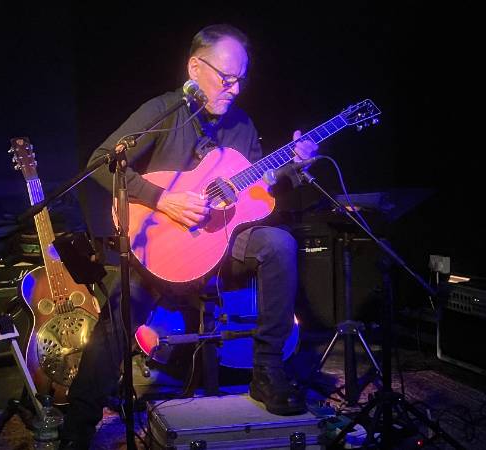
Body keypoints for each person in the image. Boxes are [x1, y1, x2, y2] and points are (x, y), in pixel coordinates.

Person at [60, 23, 318, 448]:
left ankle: (267, 372)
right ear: (195, 68)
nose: (235, 88)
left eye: (241, 79)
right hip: (161, 246)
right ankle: (77, 426)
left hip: (221, 245)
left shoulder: (242, 125)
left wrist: (294, 167)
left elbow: (258, 196)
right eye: (226, 77)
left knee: (279, 243)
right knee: (118, 316)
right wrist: (163, 200)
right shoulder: (163, 112)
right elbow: (102, 162)